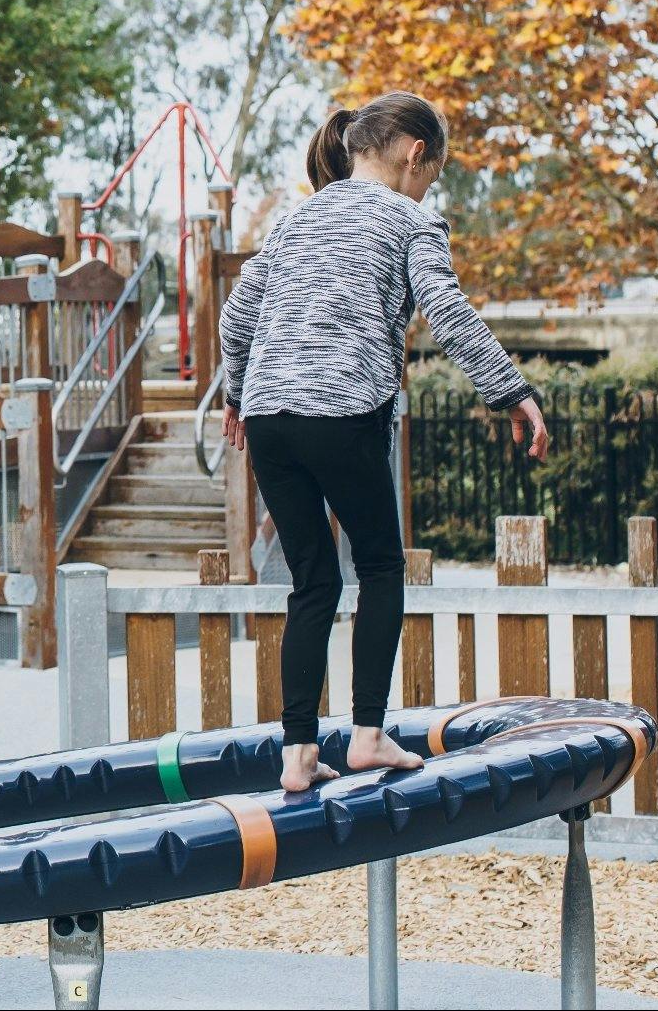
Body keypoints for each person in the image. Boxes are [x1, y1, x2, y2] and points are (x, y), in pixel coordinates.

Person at [219, 92, 549, 794]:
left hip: (272, 417)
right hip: (341, 410)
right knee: (380, 565)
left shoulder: (296, 216)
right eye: (434, 171)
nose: (430, 186)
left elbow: (237, 314)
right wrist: (511, 390)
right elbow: (448, 311)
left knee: (312, 581)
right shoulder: (412, 217)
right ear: (413, 153)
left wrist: (236, 394)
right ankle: (368, 734)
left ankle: (299, 753)